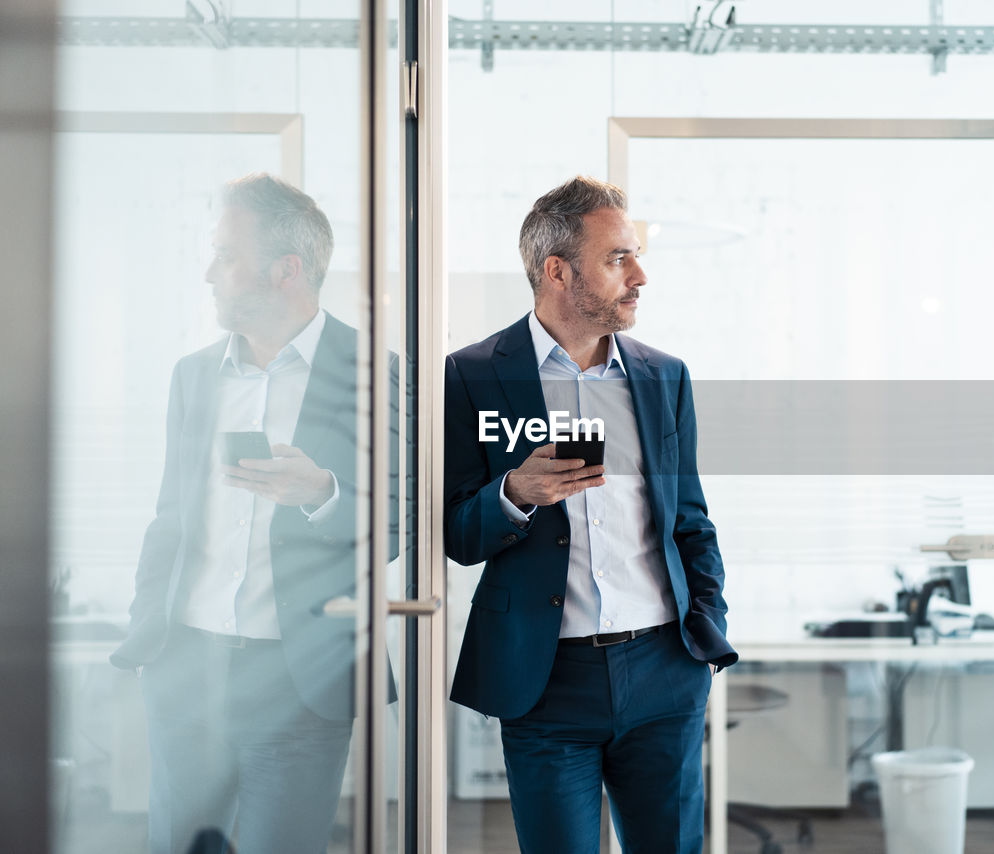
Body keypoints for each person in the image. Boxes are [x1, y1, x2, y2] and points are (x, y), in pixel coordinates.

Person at [444, 175, 738, 853]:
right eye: (616, 259)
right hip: (546, 684)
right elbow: (457, 532)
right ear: (557, 271)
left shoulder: (665, 376)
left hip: (665, 669)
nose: (639, 276)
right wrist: (515, 492)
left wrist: (706, 634)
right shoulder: (474, 374)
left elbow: (689, 518)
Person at [110, 173, 395, 854]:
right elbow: (169, 519)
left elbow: (401, 523)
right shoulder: (194, 376)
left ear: (285, 270)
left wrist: (324, 492)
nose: (209, 273)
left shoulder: (376, 373)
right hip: (188, 670)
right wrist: (145, 635)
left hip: (299, 686)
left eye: (225, 255)